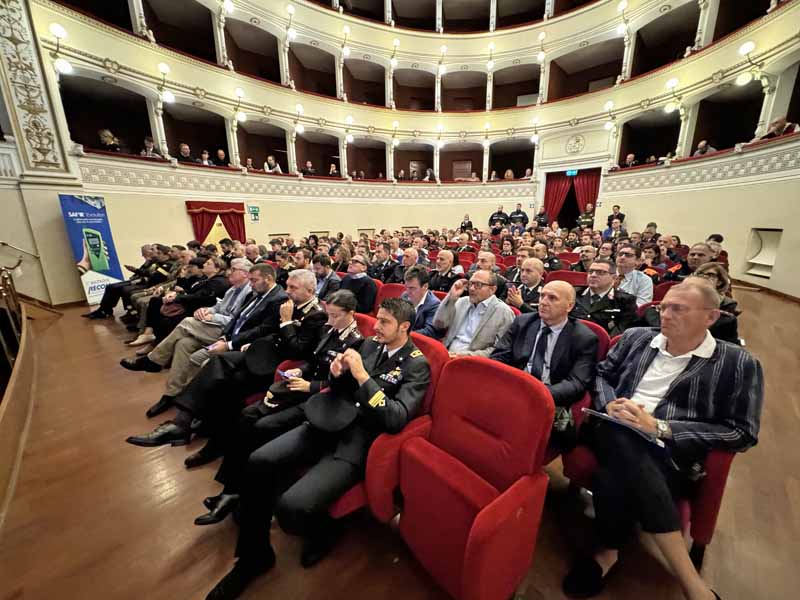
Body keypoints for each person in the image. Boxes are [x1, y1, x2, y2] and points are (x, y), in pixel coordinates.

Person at [204, 298, 430, 599]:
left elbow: (395, 418)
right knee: (259, 460)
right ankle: (254, 558)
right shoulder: (369, 345)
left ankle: (325, 530)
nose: (376, 326)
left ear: (404, 327)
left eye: (385, 322)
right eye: (377, 319)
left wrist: (362, 376)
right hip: (328, 420)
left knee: (291, 507)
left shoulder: (417, 364)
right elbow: (340, 390)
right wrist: (337, 375)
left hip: (359, 440)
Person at [562, 280, 763, 600]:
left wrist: (660, 428)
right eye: (663, 307)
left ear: (711, 317)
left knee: (610, 474)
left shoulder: (738, 363)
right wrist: (609, 402)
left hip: (671, 454)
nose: (665, 314)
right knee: (620, 431)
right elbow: (602, 375)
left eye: (678, 309)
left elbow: (742, 432)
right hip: (609, 429)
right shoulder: (635, 338)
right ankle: (691, 583)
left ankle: (608, 550)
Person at [195, 290, 365, 527]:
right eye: (329, 315)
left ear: (351, 314)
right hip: (300, 386)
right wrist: (301, 371)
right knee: (247, 415)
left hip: (319, 399)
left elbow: (343, 386)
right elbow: (314, 361)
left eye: (335, 316)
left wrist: (310, 385)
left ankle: (243, 494)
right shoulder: (328, 329)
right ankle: (230, 489)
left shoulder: (357, 342)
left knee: (262, 425)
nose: (329, 321)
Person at [125, 269, 324, 458]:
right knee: (219, 363)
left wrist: (287, 322)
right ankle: (185, 423)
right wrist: (254, 342)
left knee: (231, 384)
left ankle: (207, 437)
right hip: (264, 353)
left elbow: (298, 350)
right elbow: (270, 331)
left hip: (281, 366)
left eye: (293, 288)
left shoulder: (316, 314)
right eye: (287, 286)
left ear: (310, 291)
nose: (287, 291)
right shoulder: (289, 305)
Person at [120, 259, 253, 417]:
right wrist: (205, 311)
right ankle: (171, 393)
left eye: (233, 269)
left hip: (226, 332)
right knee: (184, 343)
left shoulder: (249, 292)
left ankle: (153, 360)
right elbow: (217, 306)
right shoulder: (233, 289)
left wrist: (212, 316)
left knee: (187, 322)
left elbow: (236, 320)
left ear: (244, 273)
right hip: (213, 327)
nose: (229, 272)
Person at [491, 280, 598, 449]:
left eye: (552, 298)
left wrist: (538, 394)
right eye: (542, 296)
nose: (543, 302)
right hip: (516, 387)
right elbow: (498, 357)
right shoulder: (523, 322)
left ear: (569, 306)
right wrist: (511, 386)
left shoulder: (584, 338)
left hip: (550, 395)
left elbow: (577, 383)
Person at [641, 265, 740, 344]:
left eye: (710, 275)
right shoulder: (652, 312)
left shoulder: (725, 318)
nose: (666, 315)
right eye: (700, 274)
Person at [433, 270, 514, 357]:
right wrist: (451, 298)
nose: (471, 288)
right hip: (447, 353)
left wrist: (465, 356)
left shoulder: (504, 313)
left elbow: (498, 351)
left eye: (478, 285)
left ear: (492, 289)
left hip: (474, 362)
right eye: (471, 284)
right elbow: (439, 325)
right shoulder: (462, 302)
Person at [82, 244, 174, 319]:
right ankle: (104, 310)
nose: (151, 252)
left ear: (161, 252)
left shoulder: (166, 264)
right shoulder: (153, 261)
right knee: (111, 286)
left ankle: (130, 313)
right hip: (141, 280)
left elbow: (154, 277)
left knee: (124, 289)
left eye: (153, 250)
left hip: (149, 284)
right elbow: (145, 271)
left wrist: (138, 274)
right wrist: (138, 273)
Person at [571, 258, 637, 336]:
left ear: (614, 277)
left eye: (600, 272)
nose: (593, 275)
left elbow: (622, 331)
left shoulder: (625, 300)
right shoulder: (574, 294)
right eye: (591, 271)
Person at [402, 266, 440, 337]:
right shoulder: (405, 296)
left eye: (412, 288)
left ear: (425, 286)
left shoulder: (434, 304)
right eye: (406, 287)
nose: (408, 291)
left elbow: (429, 331)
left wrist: (404, 334)